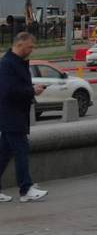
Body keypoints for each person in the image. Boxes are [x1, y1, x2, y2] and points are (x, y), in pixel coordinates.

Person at [0, 32, 48, 202]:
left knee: (4, 154)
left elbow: (16, 86)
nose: (31, 50)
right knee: (21, 151)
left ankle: (26, 188)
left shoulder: (16, 63)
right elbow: (8, 91)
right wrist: (31, 90)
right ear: (19, 45)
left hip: (14, 114)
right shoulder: (7, 64)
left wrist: (32, 88)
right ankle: (25, 189)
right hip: (12, 115)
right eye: (30, 47)